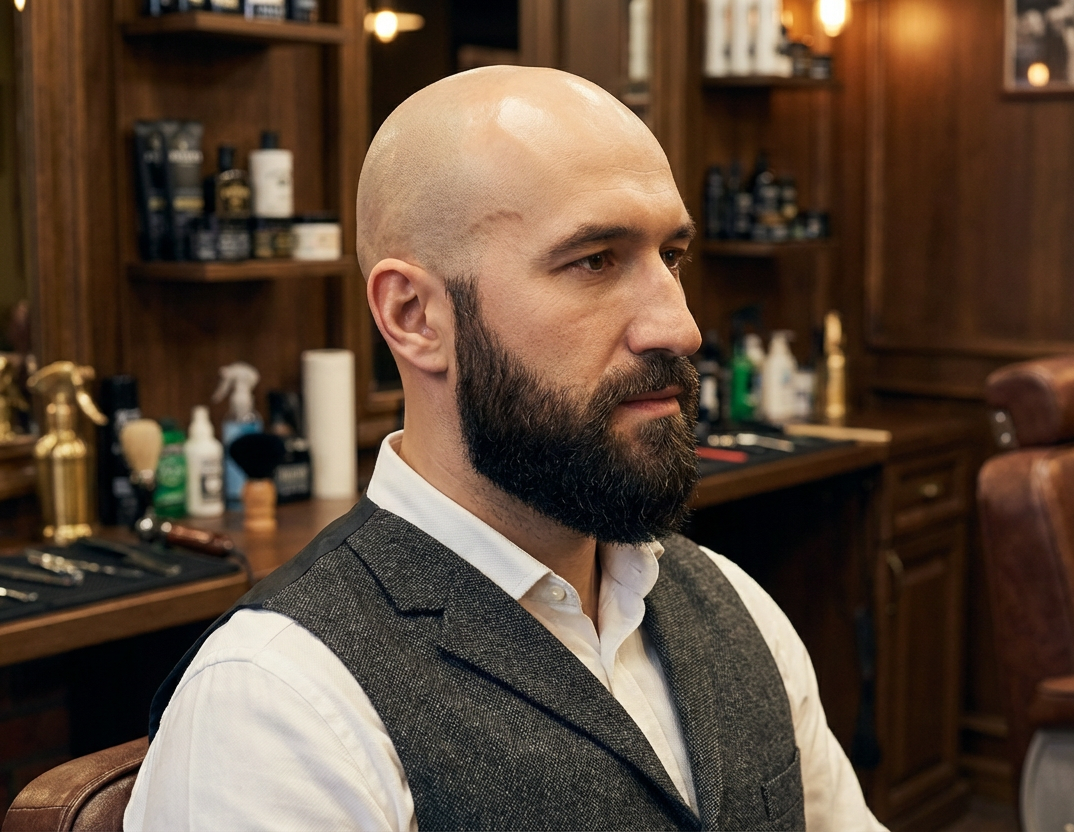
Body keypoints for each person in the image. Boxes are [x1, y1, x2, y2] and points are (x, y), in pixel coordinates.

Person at [124, 66, 885, 832]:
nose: (679, 327)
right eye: (594, 260)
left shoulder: (732, 604)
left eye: (671, 257)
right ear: (416, 315)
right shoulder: (278, 706)